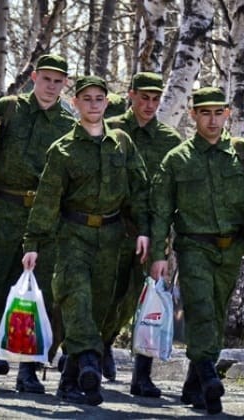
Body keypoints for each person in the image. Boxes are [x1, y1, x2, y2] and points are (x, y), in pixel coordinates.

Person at [149, 86, 244, 414]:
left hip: (231, 249)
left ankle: (193, 383)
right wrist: (157, 255)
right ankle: (209, 376)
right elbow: (161, 212)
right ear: (193, 115)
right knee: (200, 310)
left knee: (217, 314)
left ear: (228, 114)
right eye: (204, 113)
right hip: (193, 246)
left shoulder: (243, 154)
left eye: (218, 112)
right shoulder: (177, 160)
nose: (212, 120)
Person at [22, 75, 150, 406]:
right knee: (76, 301)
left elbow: (138, 190)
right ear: (75, 103)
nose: (93, 104)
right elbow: (47, 199)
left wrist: (144, 231)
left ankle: (70, 381)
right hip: (72, 236)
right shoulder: (63, 150)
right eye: (86, 99)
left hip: (111, 237)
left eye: (99, 99)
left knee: (99, 307)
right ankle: (90, 362)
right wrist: (33, 243)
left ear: (107, 103)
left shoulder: (121, 142)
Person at [0, 54, 75, 392]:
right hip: (4, 208)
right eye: (46, 79)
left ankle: (27, 368)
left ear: (64, 84)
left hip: (43, 217)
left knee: (39, 291)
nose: (51, 87)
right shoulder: (9, 109)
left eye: (58, 81)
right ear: (34, 77)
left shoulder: (68, 124)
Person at [102, 71, 181, 396]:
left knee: (148, 300)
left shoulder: (169, 140)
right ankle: (95, 348)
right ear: (131, 95)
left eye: (155, 99)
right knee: (105, 295)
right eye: (143, 97)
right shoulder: (111, 130)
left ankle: (142, 375)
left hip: (151, 230)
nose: (149, 105)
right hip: (110, 226)